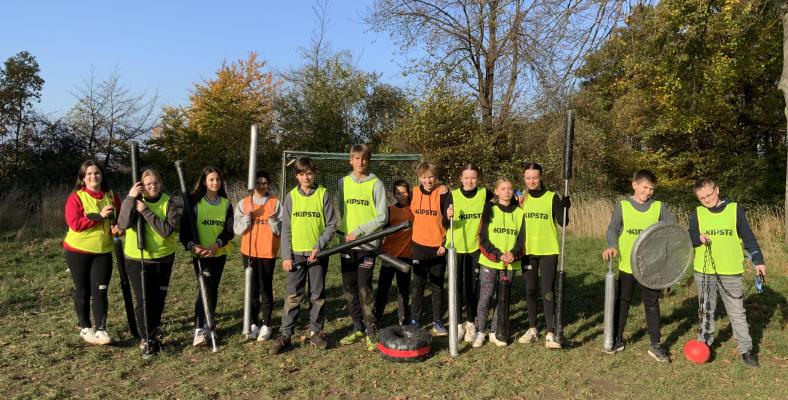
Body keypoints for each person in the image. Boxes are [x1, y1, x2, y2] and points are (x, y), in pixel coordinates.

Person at [689, 177, 766, 368]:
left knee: (737, 312)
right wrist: (698, 238)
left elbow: (748, 236)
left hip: (731, 271)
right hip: (704, 270)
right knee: (706, 309)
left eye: (709, 195)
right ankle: (704, 342)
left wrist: (758, 260)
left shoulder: (734, 210)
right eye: (702, 198)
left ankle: (746, 350)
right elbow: (690, 236)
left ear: (717, 190)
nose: (707, 200)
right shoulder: (697, 213)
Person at [601, 169, 672, 362]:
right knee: (623, 302)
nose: (648, 192)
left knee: (651, 303)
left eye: (651, 189)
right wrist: (612, 246)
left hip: (651, 266)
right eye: (645, 187)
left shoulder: (659, 207)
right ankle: (616, 339)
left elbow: (671, 231)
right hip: (627, 264)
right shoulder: (622, 205)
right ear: (634, 185)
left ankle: (656, 345)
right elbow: (613, 229)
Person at [271, 157, 338, 354]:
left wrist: (319, 246)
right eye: (302, 174)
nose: (306, 177)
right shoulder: (291, 196)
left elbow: (331, 225)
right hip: (296, 256)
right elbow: (286, 230)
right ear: (297, 176)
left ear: (314, 173)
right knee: (293, 295)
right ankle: (285, 335)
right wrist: (286, 256)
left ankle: (315, 333)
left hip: (318, 255)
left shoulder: (323, 194)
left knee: (317, 295)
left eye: (309, 173)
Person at [117, 169, 178, 358]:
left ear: (160, 183)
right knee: (144, 300)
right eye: (148, 184)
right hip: (137, 258)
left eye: (156, 183)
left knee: (158, 301)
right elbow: (123, 223)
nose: (153, 186)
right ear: (141, 186)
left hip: (163, 257)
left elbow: (167, 230)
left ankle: (151, 334)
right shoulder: (133, 201)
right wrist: (130, 198)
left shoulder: (169, 202)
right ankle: (147, 339)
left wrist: (145, 211)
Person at [63, 160, 121, 345]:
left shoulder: (111, 196)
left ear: (101, 175)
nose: (93, 176)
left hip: (103, 250)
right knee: (83, 289)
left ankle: (101, 329)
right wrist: (99, 217)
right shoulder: (76, 197)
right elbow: (75, 224)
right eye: (89, 174)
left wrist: (118, 227)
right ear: (83, 178)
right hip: (78, 250)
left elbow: (119, 219)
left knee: (101, 290)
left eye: (96, 173)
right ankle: (85, 326)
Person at [336, 144, 388, 351]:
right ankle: (357, 326)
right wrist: (349, 234)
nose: (360, 162)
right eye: (356, 158)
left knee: (364, 288)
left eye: (364, 158)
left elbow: (382, 216)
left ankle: (370, 331)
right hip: (347, 246)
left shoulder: (376, 184)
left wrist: (359, 231)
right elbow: (342, 210)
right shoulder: (342, 183)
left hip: (367, 245)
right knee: (349, 289)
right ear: (350, 160)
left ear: (369, 160)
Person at [179, 167, 234, 348]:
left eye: (217, 179)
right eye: (211, 180)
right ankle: (198, 330)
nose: (215, 183)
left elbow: (228, 231)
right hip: (201, 255)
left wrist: (216, 245)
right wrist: (194, 246)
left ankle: (210, 325)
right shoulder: (194, 202)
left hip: (218, 253)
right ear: (204, 182)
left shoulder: (226, 203)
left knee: (214, 289)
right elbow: (184, 233)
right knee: (204, 289)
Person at [518, 163, 569, 349]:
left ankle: (550, 332)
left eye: (535, 177)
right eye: (528, 177)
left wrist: (565, 207)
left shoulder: (551, 197)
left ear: (541, 178)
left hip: (548, 250)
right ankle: (532, 328)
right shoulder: (521, 199)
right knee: (530, 289)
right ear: (524, 178)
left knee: (547, 289)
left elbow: (564, 223)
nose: (531, 181)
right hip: (528, 251)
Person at [472, 177, 524, 348]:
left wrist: (513, 254)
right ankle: (480, 331)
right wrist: (497, 254)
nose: (506, 191)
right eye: (502, 188)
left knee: (503, 298)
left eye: (509, 188)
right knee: (485, 297)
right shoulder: (489, 208)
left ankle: (495, 331)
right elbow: (483, 238)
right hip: (490, 260)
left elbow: (523, 241)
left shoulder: (520, 212)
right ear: (496, 191)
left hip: (510, 262)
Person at [444, 164, 493, 343]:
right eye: (466, 178)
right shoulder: (453, 195)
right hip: (456, 247)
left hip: (474, 247)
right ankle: (457, 325)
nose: (469, 181)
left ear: (477, 179)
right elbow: (444, 221)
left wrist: (520, 198)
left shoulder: (484, 193)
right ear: (461, 179)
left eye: (473, 177)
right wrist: (447, 215)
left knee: (472, 287)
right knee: (456, 286)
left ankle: (470, 323)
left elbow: (504, 197)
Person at [233, 170, 281, 342]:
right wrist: (247, 217)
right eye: (258, 182)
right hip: (249, 252)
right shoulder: (245, 203)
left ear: (268, 185)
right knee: (251, 289)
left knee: (265, 288)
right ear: (253, 185)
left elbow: (280, 230)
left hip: (267, 252)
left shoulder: (275, 203)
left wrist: (273, 220)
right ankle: (252, 323)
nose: (262, 186)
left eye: (265, 183)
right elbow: (237, 229)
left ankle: (267, 324)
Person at [410, 162, 451, 336]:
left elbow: (450, 221)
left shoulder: (443, 193)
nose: (428, 181)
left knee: (437, 285)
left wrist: (445, 244)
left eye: (431, 177)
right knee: (418, 284)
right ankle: (415, 320)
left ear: (436, 177)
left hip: (437, 248)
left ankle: (437, 321)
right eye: (424, 177)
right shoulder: (414, 192)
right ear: (419, 177)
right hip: (418, 245)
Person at [373, 180, 414, 326]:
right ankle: (376, 317)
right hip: (389, 256)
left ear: (409, 192)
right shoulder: (390, 210)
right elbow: (380, 231)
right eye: (398, 193)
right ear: (394, 195)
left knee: (403, 289)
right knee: (383, 288)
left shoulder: (415, 209)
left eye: (404, 192)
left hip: (406, 256)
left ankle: (404, 319)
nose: (401, 195)